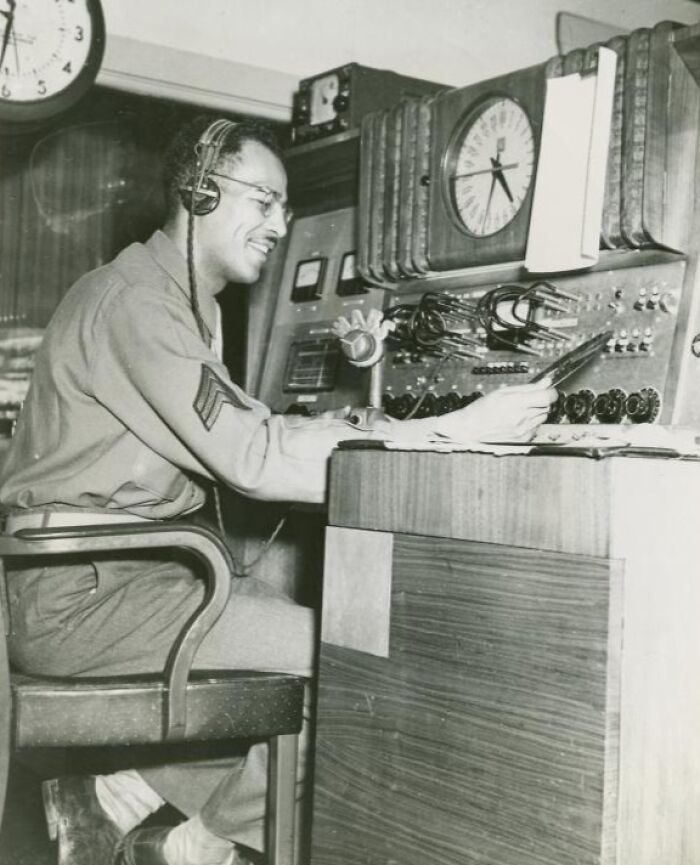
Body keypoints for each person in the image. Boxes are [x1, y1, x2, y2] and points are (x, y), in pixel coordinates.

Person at [0, 114, 556, 865]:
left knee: (301, 582)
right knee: (352, 657)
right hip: (87, 597)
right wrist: (449, 428)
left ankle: (115, 795)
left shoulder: (177, 298)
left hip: (127, 572)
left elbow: (249, 425)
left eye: (284, 208)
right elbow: (255, 456)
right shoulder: (138, 303)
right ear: (199, 192)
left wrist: (372, 422)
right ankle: (192, 845)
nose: (278, 223)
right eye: (263, 201)